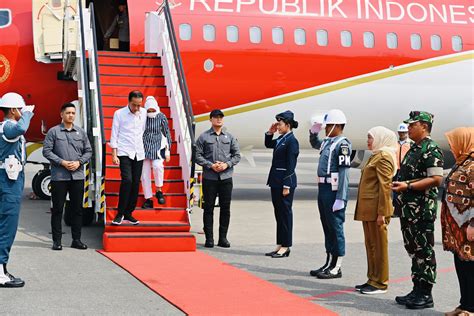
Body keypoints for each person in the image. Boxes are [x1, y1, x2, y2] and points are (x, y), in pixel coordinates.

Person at [392, 111, 444, 310]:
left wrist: (408, 186)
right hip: (409, 210)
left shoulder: (431, 149)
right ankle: (416, 289)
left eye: (412, 125)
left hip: (422, 210)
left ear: (424, 125)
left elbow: (436, 179)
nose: (408, 128)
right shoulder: (414, 149)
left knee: (424, 251)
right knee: (413, 251)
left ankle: (426, 293)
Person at [42, 103, 92, 251]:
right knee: (57, 209)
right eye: (68, 113)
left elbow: (88, 151)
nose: (71, 115)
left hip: (77, 176)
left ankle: (76, 240)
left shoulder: (81, 133)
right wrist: (62, 162)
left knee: (77, 209)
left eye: (73, 113)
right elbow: (47, 151)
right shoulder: (54, 132)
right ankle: (57, 241)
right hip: (59, 177)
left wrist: (79, 162)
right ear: (61, 115)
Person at [308, 109, 352, 279]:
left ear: (337, 125)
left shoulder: (343, 144)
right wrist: (313, 132)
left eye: (327, 126)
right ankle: (329, 262)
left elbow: (344, 173)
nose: (325, 129)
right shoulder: (328, 142)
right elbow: (315, 144)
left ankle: (337, 266)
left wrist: (341, 197)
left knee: (336, 227)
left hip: (334, 191)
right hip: (323, 189)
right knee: (327, 226)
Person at [354, 126, 397, 294]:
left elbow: (385, 187)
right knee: (371, 245)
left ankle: (381, 282)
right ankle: (372, 278)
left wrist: (383, 213)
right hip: (368, 210)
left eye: (370, 138)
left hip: (377, 211)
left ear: (380, 138)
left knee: (379, 247)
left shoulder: (384, 156)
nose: (368, 141)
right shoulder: (376, 156)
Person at [0, 92, 34, 288]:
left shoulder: (4, 127)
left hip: (7, 176)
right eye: (20, 109)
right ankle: (1, 273)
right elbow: (21, 128)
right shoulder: (10, 126)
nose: (22, 112)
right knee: (8, 226)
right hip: (9, 180)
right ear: (13, 110)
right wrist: (28, 114)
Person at [195, 109, 241, 248]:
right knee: (208, 208)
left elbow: (237, 155)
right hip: (210, 177)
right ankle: (209, 238)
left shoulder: (230, 137)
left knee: (225, 208)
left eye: (221, 117)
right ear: (210, 120)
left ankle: (223, 238)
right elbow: (197, 155)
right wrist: (210, 165)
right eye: (215, 117)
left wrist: (226, 165)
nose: (218, 119)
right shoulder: (203, 137)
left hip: (226, 177)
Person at [441, 127, 473, 316]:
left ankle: (472, 308)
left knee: (471, 268)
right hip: (457, 228)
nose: (452, 147)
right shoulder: (462, 162)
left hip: (469, 227)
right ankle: (464, 305)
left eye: (454, 143)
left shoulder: (473, 165)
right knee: (462, 267)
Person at [264, 111, 299, 258]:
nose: (278, 126)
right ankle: (280, 243)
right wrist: (269, 133)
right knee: (278, 214)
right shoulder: (281, 138)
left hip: (285, 183)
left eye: (280, 124)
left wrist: (287, 185)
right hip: (275, 181)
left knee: (285, 214)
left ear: (288, 125)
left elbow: (291, 165)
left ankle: (286, 246)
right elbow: (268, 144)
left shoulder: (292, 141)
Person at [110, 90, 146, 225]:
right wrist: (114, 154)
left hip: (139, 152)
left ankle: (129, 213)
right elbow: (114, 134)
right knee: (127, 180)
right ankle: (119, 213)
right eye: (134, 105)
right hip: (124, 151)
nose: (136, 108)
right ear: (128, 102)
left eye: (139, 105)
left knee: (136, 183)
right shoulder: (119, 114)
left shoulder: (143, 113)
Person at [141, 96, 172, 208]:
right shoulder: (142, 116)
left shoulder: (161, 117)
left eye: (153, 110)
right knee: (144, 175)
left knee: (158, 166)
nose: (151, 112)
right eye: (149, 110)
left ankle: (159, 190)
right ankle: (148, 198)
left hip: (157, 147)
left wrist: (168, 152)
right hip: (143, 148)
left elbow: (167, 133)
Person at [392, 123, 412, 217]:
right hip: (396, 169)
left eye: (403, 133)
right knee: (395, 190)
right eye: (400, 133)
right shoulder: (394, 143)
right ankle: (397, 210)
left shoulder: (410, 144)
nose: (402, 134)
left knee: (405, 190)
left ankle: (404, 209)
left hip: (406, 169)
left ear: (407, 133)